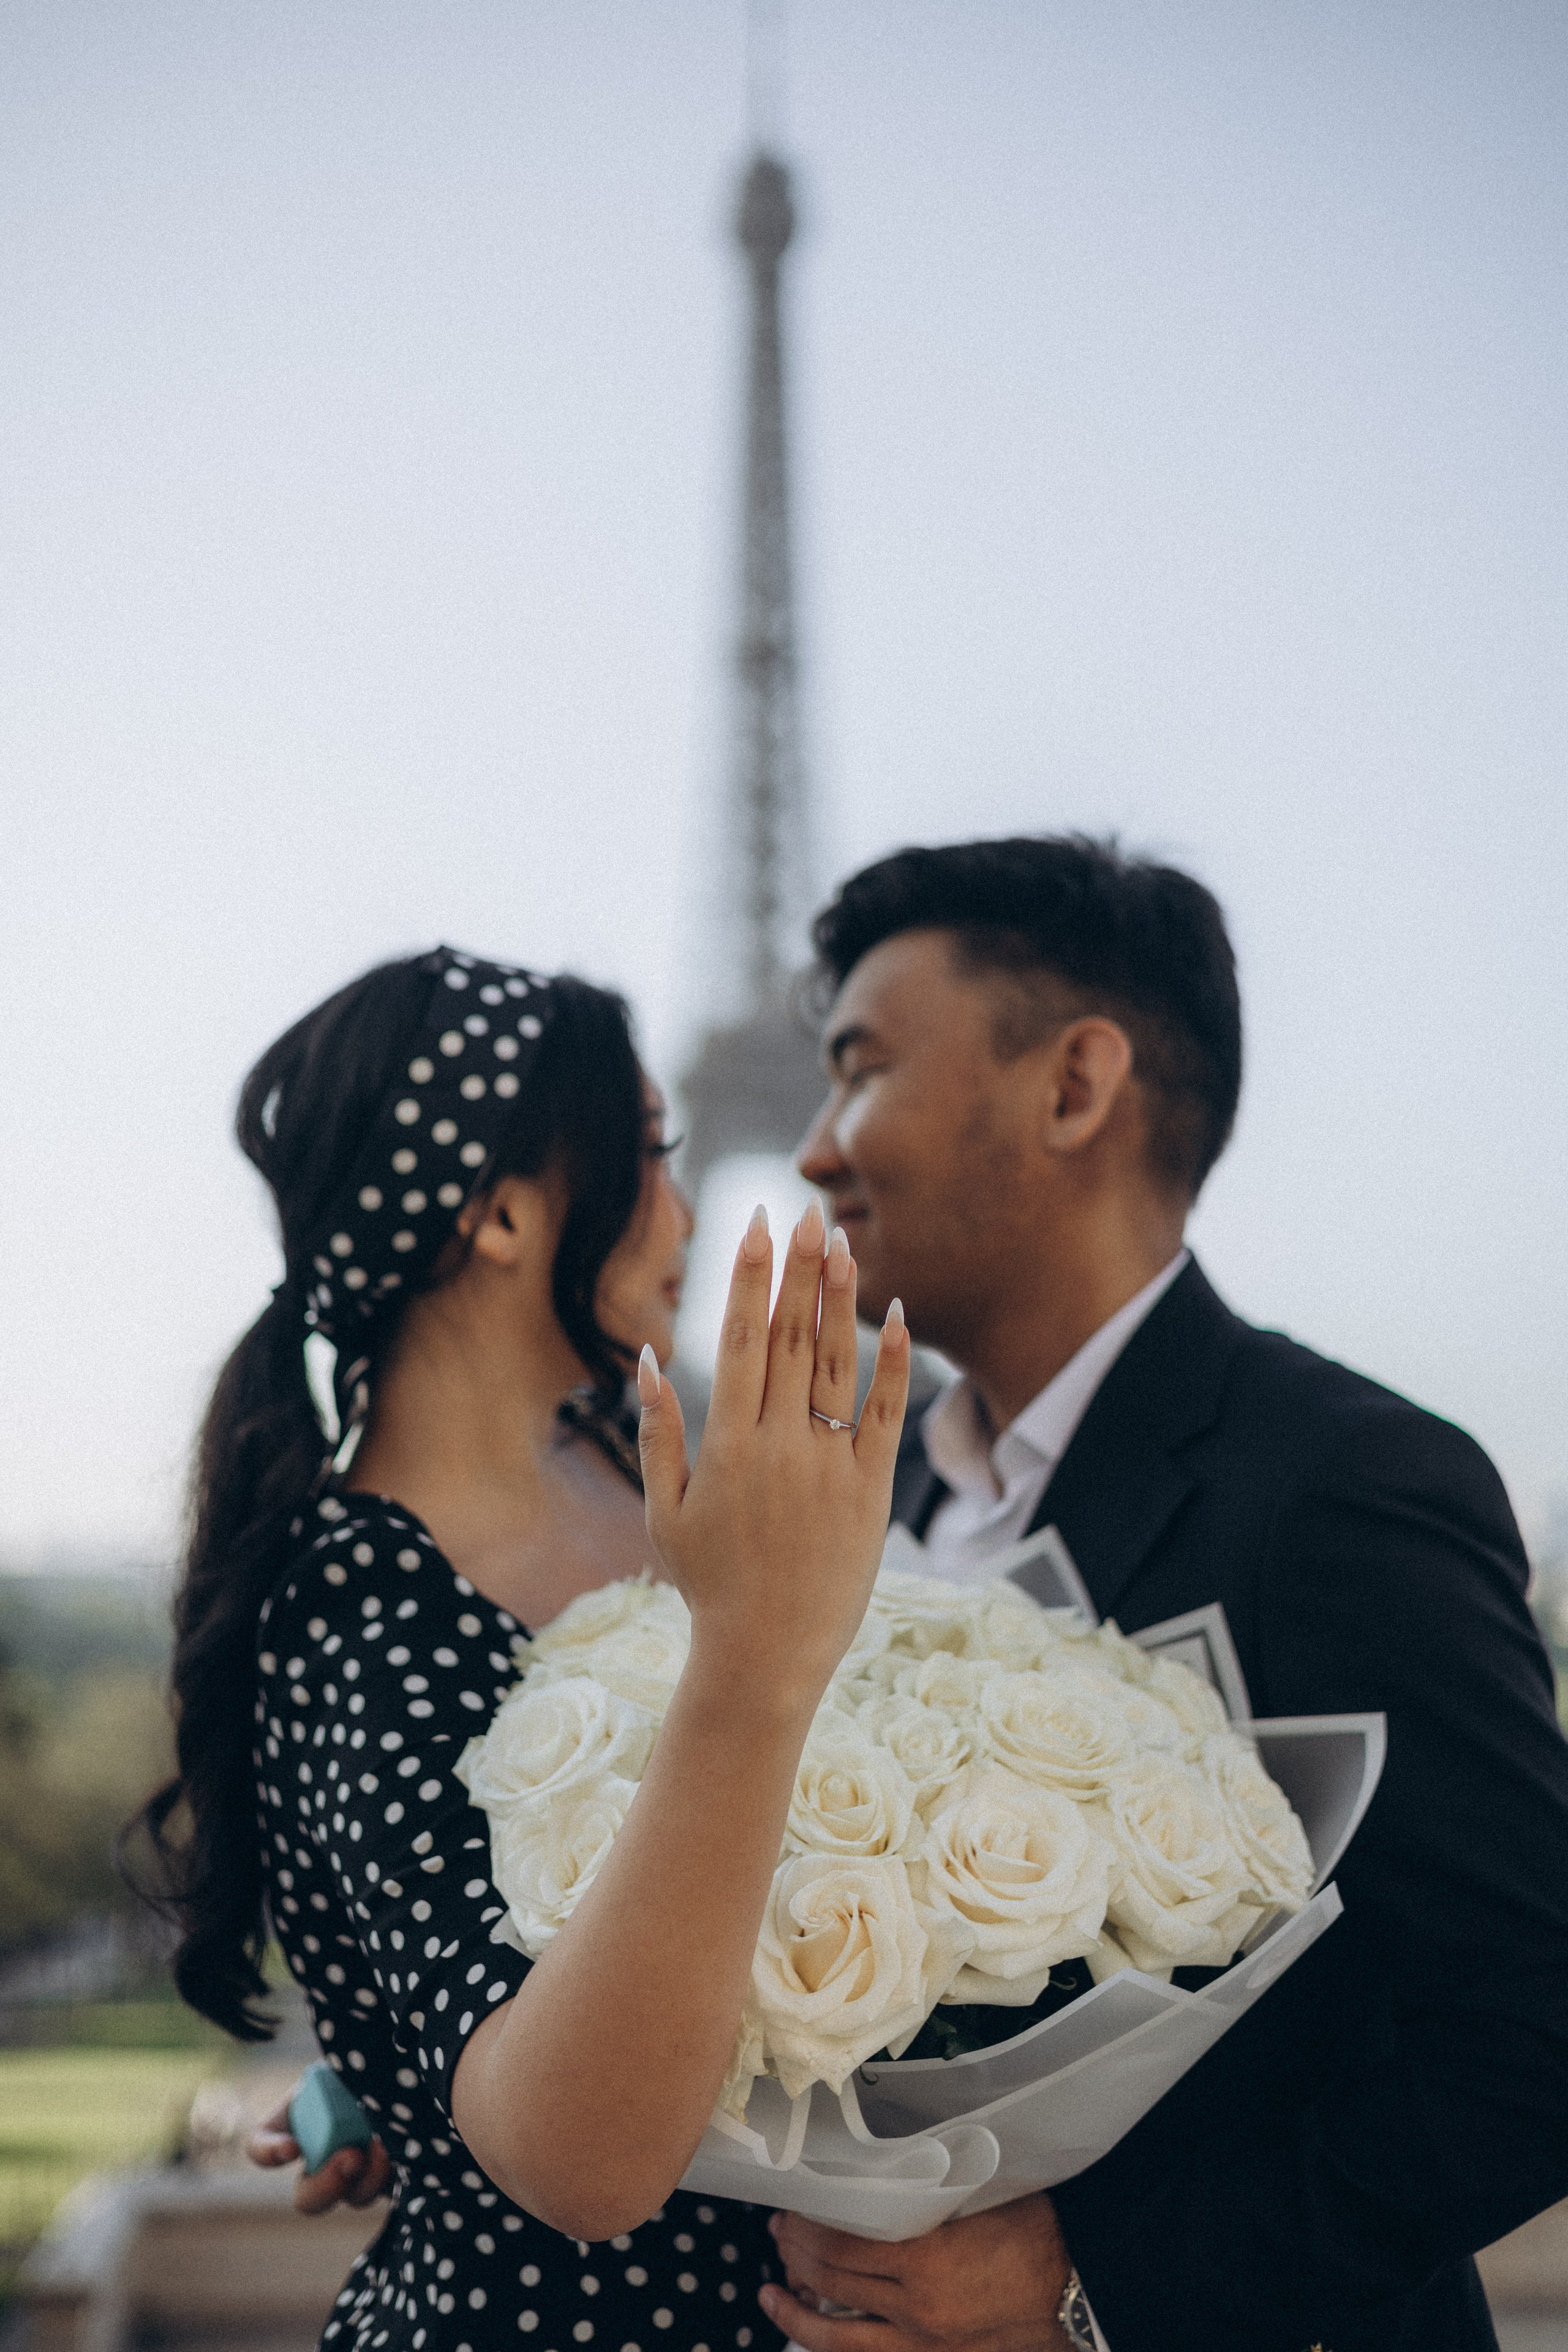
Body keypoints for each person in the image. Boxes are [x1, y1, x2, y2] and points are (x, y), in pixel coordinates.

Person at [763, 837, 1568, 2352]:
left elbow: (1536, 2031)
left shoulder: (1340, 1487)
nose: (815, 1148)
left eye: (861, 1069)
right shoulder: (890, 1504)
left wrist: (1092, 2282)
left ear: (1073, 1087)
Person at [130, 944, 911, 2352]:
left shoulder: (624, 1457)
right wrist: (754, 1656)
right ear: (499, 1216)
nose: (682, 1212)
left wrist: (397, 2065)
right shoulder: (362, 1605)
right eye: (652, 1157)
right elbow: (582, 2167)